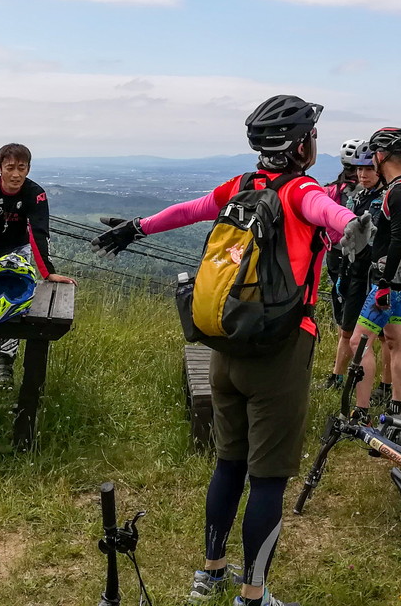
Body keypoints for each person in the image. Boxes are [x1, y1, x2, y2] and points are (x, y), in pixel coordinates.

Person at [91, 95, 367, 606]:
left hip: (225, 346)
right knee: (268, 479)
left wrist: (135, 228)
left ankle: (211, 572)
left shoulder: (242, 186)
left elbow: (192, 211)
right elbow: (323, 210)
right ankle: (252, 596)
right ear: (302, 143)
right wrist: (348, 226)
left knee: (228, 464)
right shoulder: (299, 190)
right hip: (279, 355)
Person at [0, 143, 75, 384]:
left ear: (28, 169)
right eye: (10, 167)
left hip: (17, 249)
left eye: (22, 168)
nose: (16, 174)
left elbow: (38, 232)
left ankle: (6, 361)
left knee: (15, 303)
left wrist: (48, 273)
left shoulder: (35, 194)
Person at [349, 127, 401, 421]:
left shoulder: (399, 191)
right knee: (395, 339)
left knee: (359, 342)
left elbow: (397, 241)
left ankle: (361, 410)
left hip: (389, 281)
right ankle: (397, 406)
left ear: (381, 156)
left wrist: (382, 283)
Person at [322, 141, 385, 390]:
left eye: (368, 169)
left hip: (363, 274)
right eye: (359, 169)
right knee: (349, 330)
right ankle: (340, 378)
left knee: (356, 333)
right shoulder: (359, 195)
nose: (361, 174)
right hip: (349, 270)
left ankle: (354, 387)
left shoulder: (377, 199)